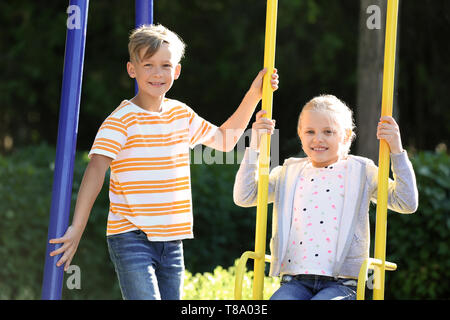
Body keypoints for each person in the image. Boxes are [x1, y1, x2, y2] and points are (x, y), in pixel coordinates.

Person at [48, 24, 279, 300]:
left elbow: (225, 140)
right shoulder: (121, 120)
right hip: (131, 237)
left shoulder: (181, 114)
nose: (157, 73)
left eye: (165, 65)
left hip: (173, 241)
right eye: (148, 65)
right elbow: (96, 170)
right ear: (132, 69)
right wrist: (77, 228)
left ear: (177, 71)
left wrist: (255, 94)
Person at [233, 94, 418, 300]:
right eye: (310, 131)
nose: (318, 139)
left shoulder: (361, 171)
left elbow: (406, 201)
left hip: (342, 282)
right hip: (295, 280)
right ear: (300, 135)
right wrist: (255, 145)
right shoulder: (288, 172)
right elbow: (245, 195)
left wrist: (396, 150)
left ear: (346, 136)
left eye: (328, 132)